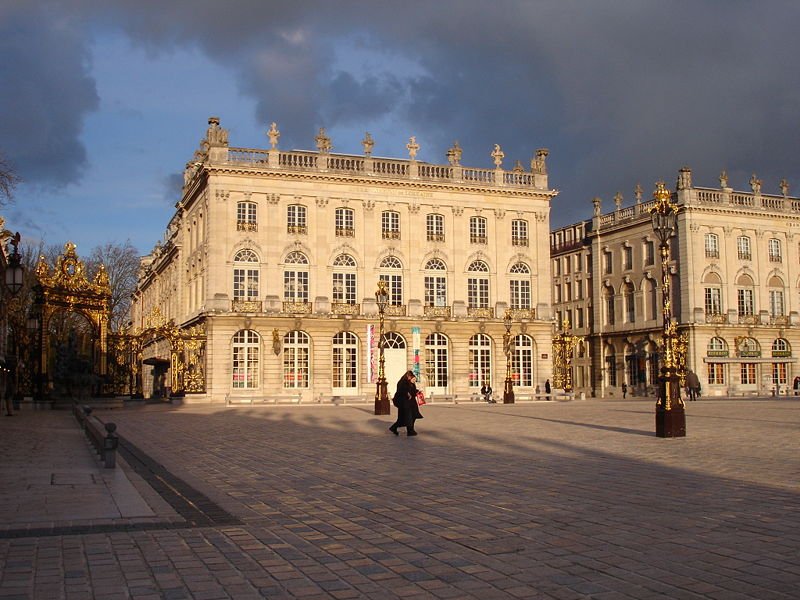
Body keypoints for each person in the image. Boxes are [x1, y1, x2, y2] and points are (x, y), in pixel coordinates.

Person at [389, 370, 423, 437]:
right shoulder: (402, 383)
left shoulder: (411, 383)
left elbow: (412, 391)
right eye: (411, 378)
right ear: (407, 376)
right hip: (404, 403)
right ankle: (408, 430)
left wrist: (417, 391)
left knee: (413, 416)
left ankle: (409, 430)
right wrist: (407, 393)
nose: (413, 380)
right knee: (406, 418)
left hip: (411, 403)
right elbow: (401, 391)